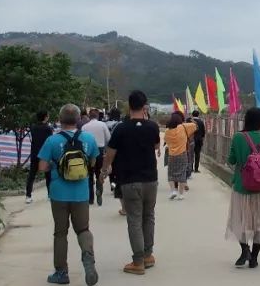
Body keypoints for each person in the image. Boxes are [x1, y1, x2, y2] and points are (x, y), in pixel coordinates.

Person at [36, 104, 99, 286]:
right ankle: (88, 260)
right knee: (83, 229)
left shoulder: (52, 141)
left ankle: (61, 272)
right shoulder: (88, 138)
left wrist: (55, 166)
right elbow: (93, 162)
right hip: (81, 192)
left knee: (60, 233)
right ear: (78, 119)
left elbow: (42, 167)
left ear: (60, 119)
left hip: (59, 193)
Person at [100, 90, 161, 275]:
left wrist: (104, 170)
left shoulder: (121, 128)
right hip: (151, 179)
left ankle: (138, 261)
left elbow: (110, 153)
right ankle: (148, 254)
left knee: (134, 219)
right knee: (148, 216)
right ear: (145, 107)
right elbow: (157, 146)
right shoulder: (153, 126)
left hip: (130, 180)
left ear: (129, 106)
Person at [225, 106, 260, 268]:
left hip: (242, 187)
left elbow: (232, 160)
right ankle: (254, 258)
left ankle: (244, 250)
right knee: (259, 223)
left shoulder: (238, 137)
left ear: (246, 120)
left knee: (239, 220)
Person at [163, 111, 196, 200]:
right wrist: (190, 119)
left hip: (171, 155)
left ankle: (173, 191)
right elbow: (194, 126)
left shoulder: (167, 131)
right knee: (182, 173)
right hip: (182, 154)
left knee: (171, 174)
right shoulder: (183, 127)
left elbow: (166, 140)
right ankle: (181, 194)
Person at [82, 112, 112, 206]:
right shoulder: (102, 125)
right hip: (100, 151)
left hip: (88, 152)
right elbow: (108, 139)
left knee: (89, 175)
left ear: (89, 117)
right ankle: (99, 191)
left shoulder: (84, 127)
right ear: (98, 116)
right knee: (99, 173)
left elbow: (81, 140)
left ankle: (90, 198)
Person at [26, 111, 53, 204]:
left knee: (31, 175)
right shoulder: (48, 129)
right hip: (45, 154)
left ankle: (28, 196)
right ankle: (50, 195)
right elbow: (50, 141)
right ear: (45, 117)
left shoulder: (33, 127)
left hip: (34, 153)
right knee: (48, 175)